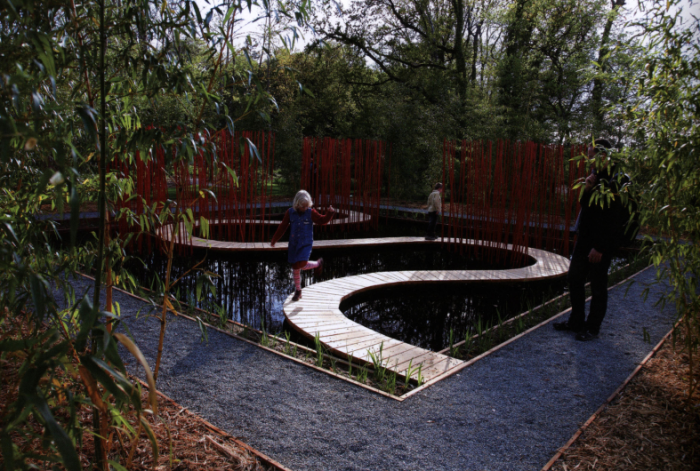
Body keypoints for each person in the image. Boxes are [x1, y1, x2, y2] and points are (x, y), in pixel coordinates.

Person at [554, 139, 622, 341]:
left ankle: (592, 328)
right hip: (585, 237)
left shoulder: (615, 179)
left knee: (598, 284)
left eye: (591, 154)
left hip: (600, 243)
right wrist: (588, 187)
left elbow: (614, 218)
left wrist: (600, 247)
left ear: (603, 155)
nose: (589, 158)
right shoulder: (595, 175)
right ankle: (576, 321)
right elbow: (585, 204)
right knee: (574, 278)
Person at [271, 190, 335, 301]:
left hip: (306, 243)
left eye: (307, 206)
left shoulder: (311, 212)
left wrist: (329, 213)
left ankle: (318, 263)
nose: (305, 208)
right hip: (294, 244)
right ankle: (298, 290)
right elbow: (282, 227)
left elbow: (322, 220)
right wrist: (274, 240)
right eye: (303, 207)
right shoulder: (290, 212)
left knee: (302, 263)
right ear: (297, 204)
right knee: (295, 266)